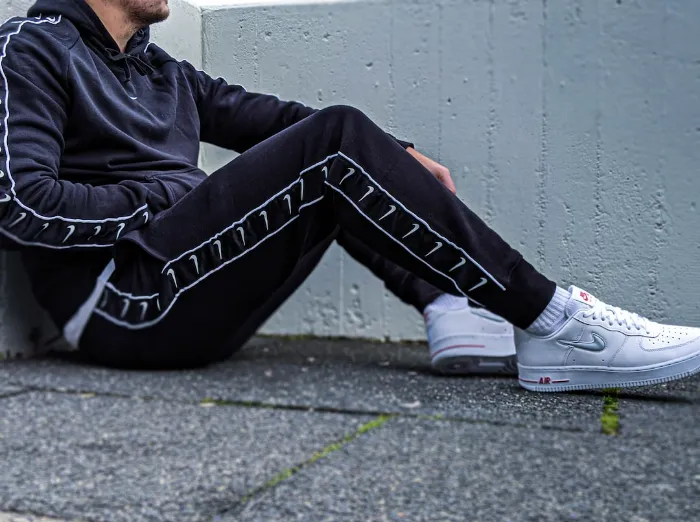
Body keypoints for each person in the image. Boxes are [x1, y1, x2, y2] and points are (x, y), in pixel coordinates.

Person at [1, 0, 698, 392]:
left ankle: (447, 305)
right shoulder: (30, 49)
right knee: (335, 141)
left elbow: (275, 122)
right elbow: (18, 205)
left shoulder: (164, 72)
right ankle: (557, 321)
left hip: (185, 302)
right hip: (121, 308)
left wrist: (394, 153)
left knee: (336, 147)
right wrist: (166, 196)